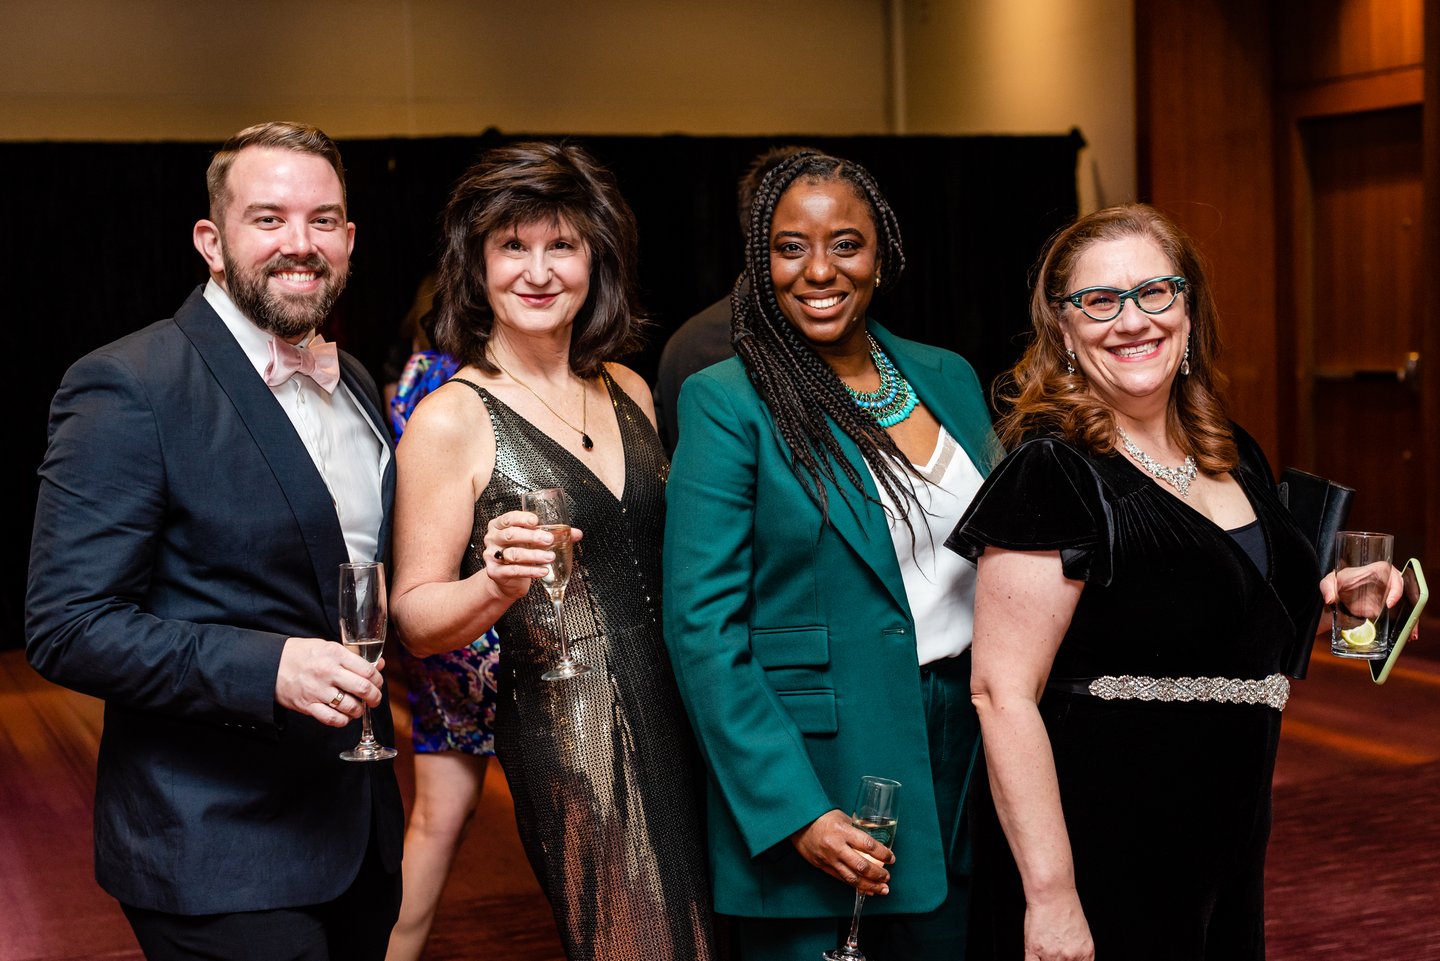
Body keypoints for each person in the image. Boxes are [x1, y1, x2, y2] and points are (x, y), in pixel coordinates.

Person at [945, 203, 1408, 961]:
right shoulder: (1052, 471)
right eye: (1100, 301)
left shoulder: (1230, 451)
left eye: (1154, 291)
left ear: (1188, 309)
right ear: (1064, 329)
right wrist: (1053, 896)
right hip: (1104, 839)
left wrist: (1341, 595)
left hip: (1226, 832)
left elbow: (1226, 620)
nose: (1132, 319)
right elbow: (1001, 694)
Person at [25, 121, 404, 960]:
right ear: (213, 241)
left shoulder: (360, 386)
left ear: (350, 239)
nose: (299, 245)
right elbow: (66, 625)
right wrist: (269, 667)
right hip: (212, 844)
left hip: (358, 834)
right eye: (267, 219)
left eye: (323, 220)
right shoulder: (131, 384)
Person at [662, 150, 999, 961]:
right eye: (789, 247)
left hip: (973, 742)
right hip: (828, 762)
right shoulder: (727, 401)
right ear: (759, 261)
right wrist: (795, 809)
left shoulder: (947, 376)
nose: (819, 270)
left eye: (845, 244)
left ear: (881, 254)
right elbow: (701, 627)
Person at [389, 140, 717, 961]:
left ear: (595, 259)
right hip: (575, 738)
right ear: (478, 266)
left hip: (690, 716)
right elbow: (416, 618)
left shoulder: (630, 388)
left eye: (561, 245)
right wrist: (494, 585)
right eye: (513, 246)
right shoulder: (451, 418)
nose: (538, 271)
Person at [383, 284, 500, 961]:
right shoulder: (470, 384)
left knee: (435, 820)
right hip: (485, 612)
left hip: (435, 621)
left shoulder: (416, 370)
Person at [651, 144, 813, 452]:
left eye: (844, 243)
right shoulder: (705, 349)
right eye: (795, 245)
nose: (821, 268)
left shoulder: (686, 340)